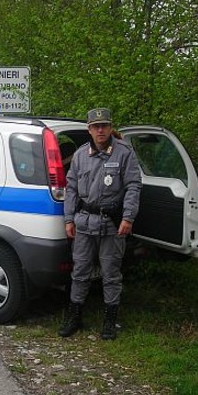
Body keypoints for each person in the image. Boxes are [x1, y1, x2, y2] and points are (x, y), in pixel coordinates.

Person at [58, 108, 141, 340]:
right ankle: (75, 317)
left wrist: (128, 218)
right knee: (80, 272)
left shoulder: (124, 153)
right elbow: (71, 187)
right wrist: (68, 219)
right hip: (84, 222)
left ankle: (110, 321)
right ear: (89, 129)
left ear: (110, 126)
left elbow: (134, 186)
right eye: (96, 126)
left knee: (111, 274)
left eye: (104, 125)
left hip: (112, 224)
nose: (100, 130)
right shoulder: (81, 155)